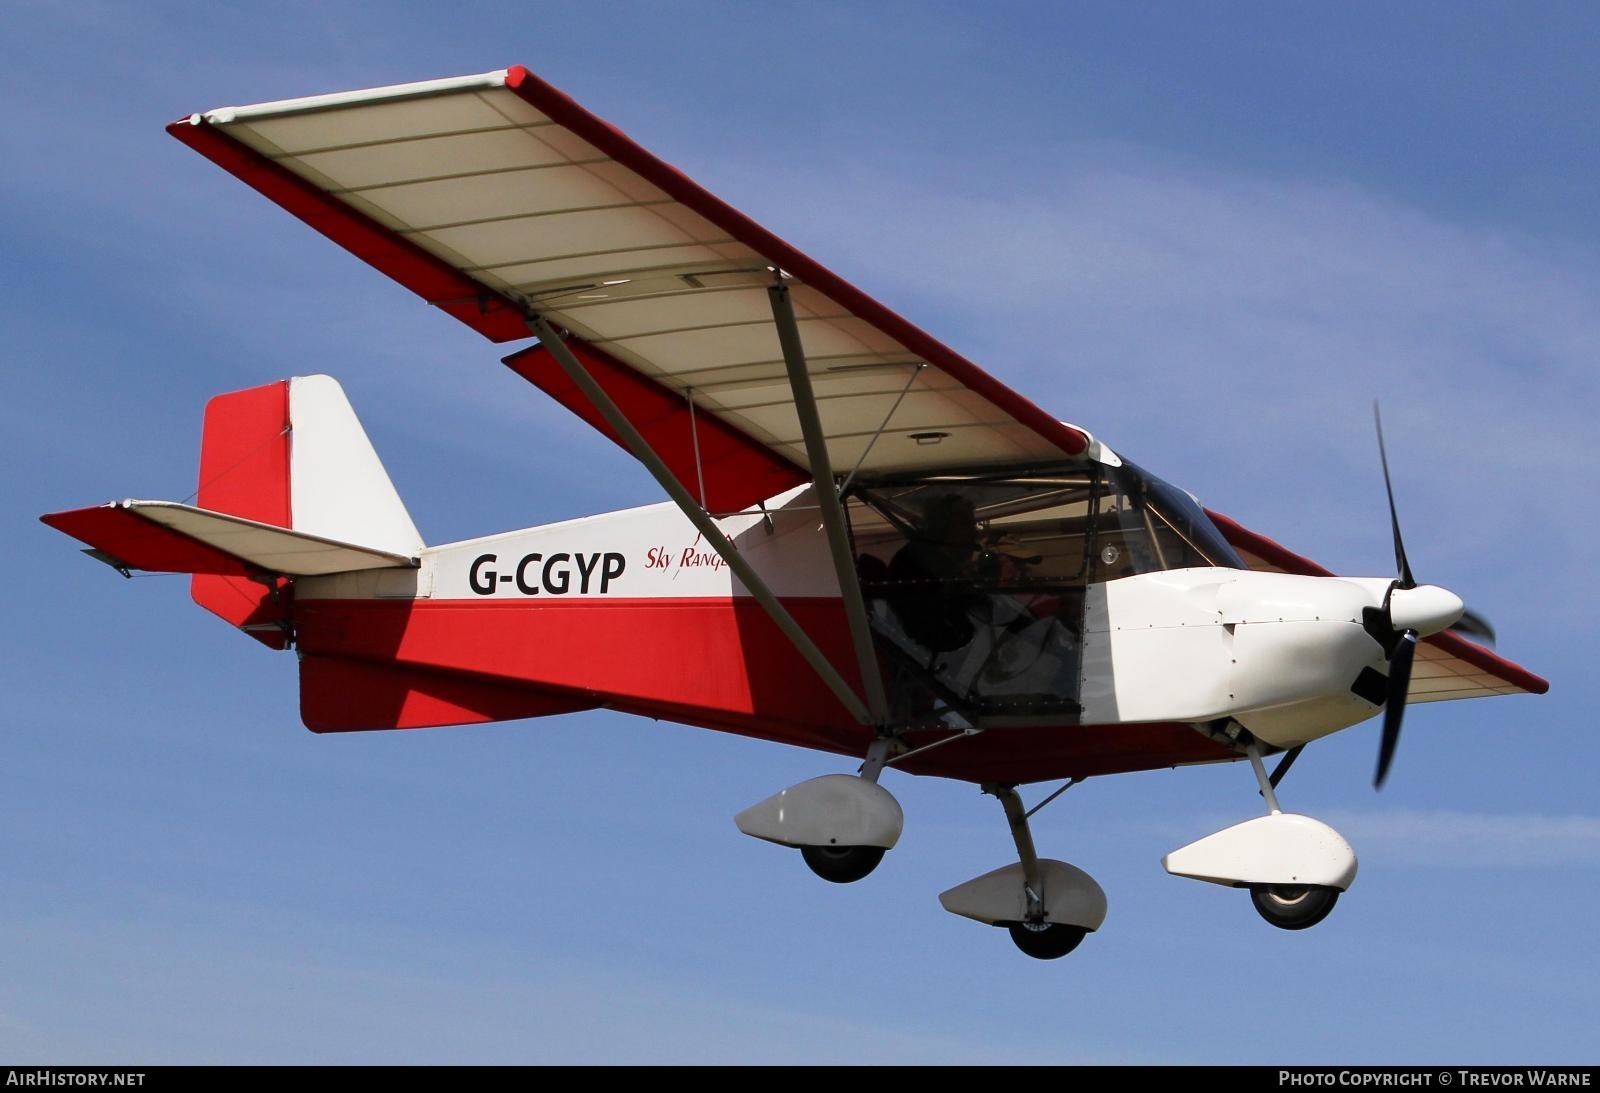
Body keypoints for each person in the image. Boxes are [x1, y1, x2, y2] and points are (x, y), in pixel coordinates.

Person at [887, 494, 984, 652]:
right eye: (967, 525)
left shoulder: (938, 561)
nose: (975, 534)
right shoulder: (916, 564)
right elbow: (936, 632)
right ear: (943, 527)